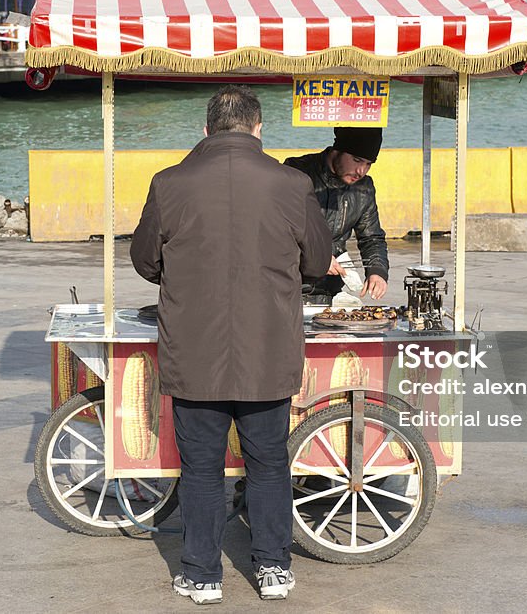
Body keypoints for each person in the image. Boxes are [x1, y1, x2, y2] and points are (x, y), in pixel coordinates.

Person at [130, 85, 331, 605]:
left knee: (201, 468)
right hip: (267, 351)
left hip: (194, 354)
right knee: (268, 463)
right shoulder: (292, 183)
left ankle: (201, 576)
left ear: (206, 130)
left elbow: (145, 261)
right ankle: (273, 570)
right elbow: (316, 263)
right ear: (258, 129)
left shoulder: (169, 183)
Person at [284, 126, 389, 303]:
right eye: (357, 160)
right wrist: (316, 258)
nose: (361, 171)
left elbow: (372, 238)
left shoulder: (364, 188)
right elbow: (276, 234)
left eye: (368, 164)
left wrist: (377, 272)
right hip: (289, 287)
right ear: (337, 150)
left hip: (329, 291)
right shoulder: (296, 172)